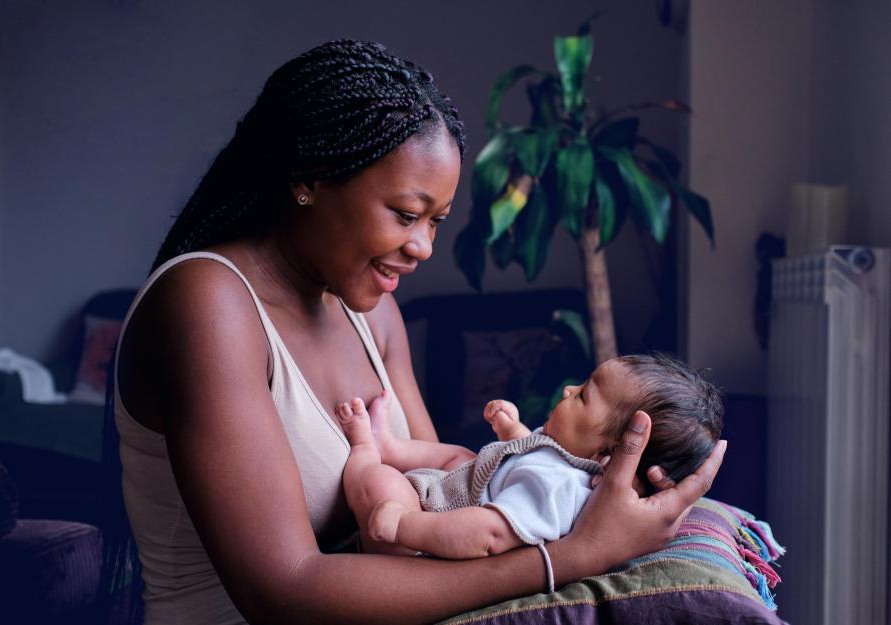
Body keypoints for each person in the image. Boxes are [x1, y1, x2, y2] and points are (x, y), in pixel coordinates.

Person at [105, 39, 727, 625]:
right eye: (406, 215)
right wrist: (575, 557)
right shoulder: (207, 304)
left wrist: (602, 497)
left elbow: (436, 504)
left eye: (437, 221)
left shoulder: (373, 312)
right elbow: (283, 592)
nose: (424, 247)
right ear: (310, 179)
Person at [335, 354, 723, 560]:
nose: (570, 389)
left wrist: (406, 525)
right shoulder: (567, 459)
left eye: (585, 395)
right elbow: (530, 457)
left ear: (607, 453)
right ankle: (391, 445)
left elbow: (489, 535)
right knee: (460, 455)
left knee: (382, 484)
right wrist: (512, 431)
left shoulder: (555, 489)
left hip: (433, 538)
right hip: (465, 486)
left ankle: (367, 453)